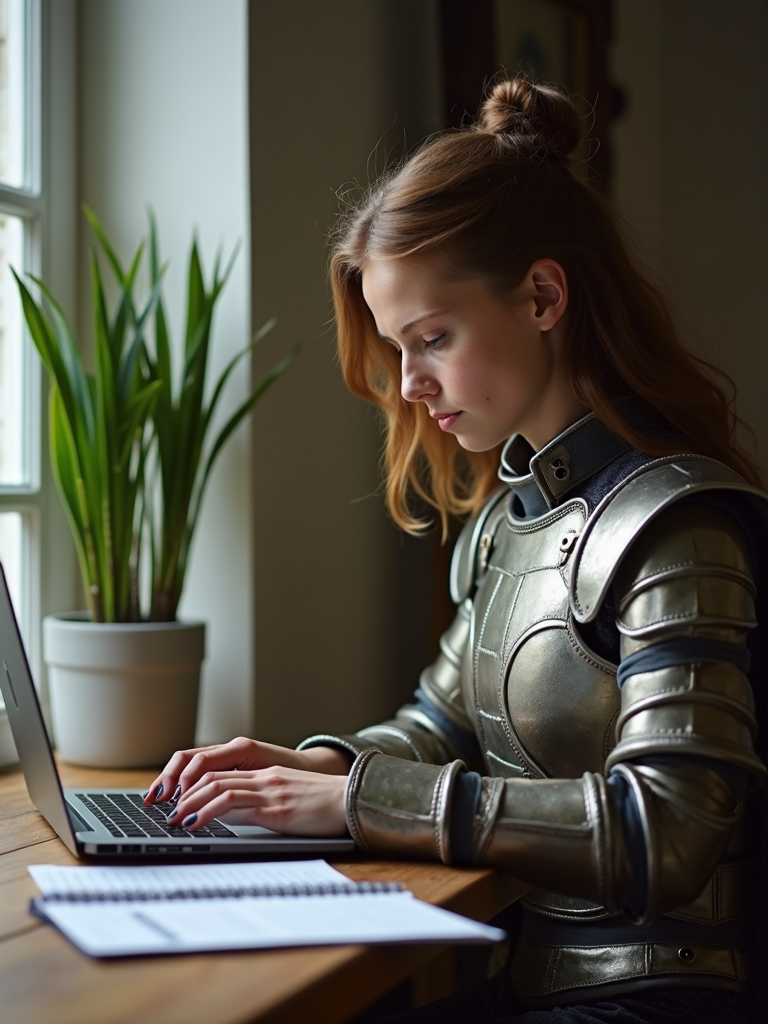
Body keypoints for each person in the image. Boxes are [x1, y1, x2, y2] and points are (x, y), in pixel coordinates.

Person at [146, 78, 768, 1023]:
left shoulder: (678, 527)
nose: (410, 385)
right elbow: (437, 731)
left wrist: (358, 800)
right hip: (530, 980)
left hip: (661, 995)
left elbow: (665, 832)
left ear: (544, 295)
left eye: (431, 337)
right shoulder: (502, 528)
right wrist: (304, 767)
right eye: (399, 347)